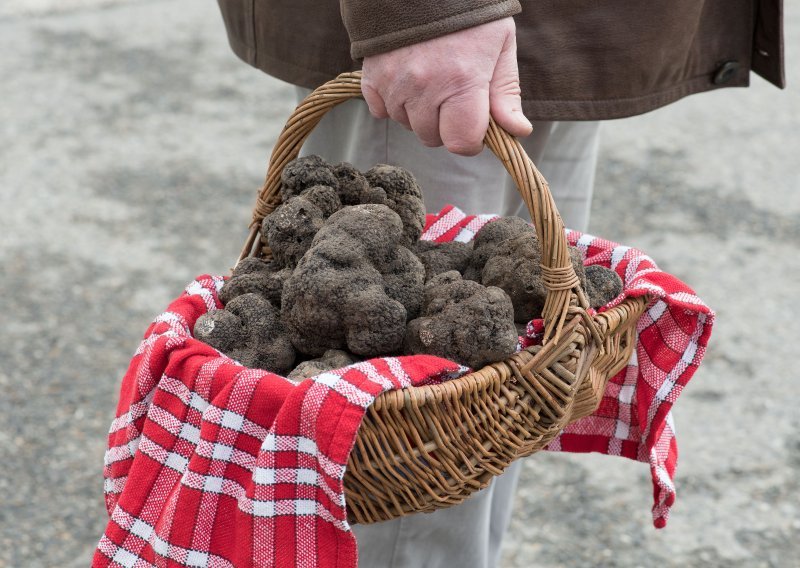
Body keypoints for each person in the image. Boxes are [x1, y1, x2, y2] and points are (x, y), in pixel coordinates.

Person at [216, 2, 784, 566]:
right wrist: (417, 14)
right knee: (394, 459)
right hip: (443, 31)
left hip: (552, 31)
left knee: (489, 419)